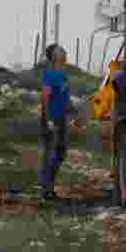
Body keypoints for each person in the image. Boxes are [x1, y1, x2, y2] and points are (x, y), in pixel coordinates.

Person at [39, 44, 71, 200]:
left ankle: (49, 186)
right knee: (51, 154)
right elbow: (45, 98)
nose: (63, 51)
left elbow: (64, 97)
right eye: (59, 50)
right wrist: (49, 120)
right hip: (52, 119)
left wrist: (74, 112)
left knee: (61, 153)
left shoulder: (63, 74)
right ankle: (46, 189)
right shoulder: (49, 75)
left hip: (62, 119)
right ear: (53, 56)